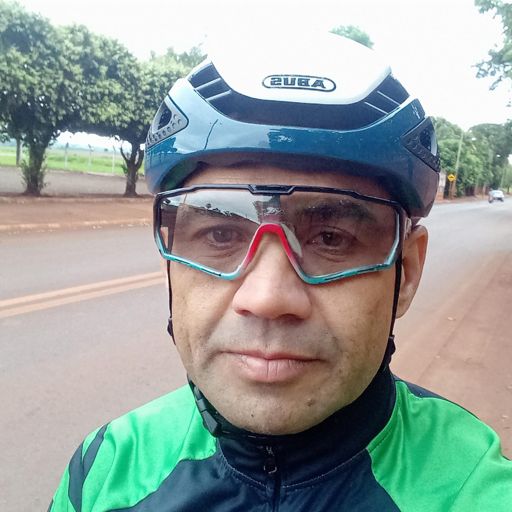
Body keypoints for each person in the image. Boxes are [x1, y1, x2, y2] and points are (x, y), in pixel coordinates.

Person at [50, 29, 512, 511]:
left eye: (331, 238)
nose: (267, 298)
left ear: (407, 273)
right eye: (220, 233)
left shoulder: (476, 491)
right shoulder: (104, 471)